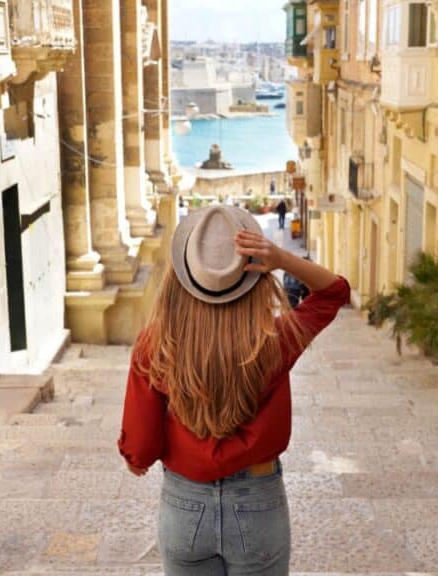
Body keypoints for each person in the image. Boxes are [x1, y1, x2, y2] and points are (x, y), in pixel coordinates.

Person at [118, 205, 349, 575]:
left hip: (184, 504)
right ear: (252, 276)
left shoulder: (155, 346)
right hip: (258, 501)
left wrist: (135, 459)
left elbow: (141, 448)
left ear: (182, 276)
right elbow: (334, 292)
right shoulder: (274, 342)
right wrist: (281, 259)